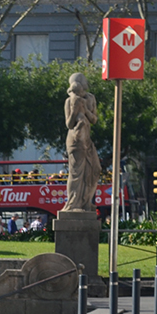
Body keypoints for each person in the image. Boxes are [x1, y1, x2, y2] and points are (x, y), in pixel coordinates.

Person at [63, 72, 101, 212]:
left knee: (95, 170)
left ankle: (86, 201)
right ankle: (74, 204)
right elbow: (69, 123)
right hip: (75, 140)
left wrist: (85, 109)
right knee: (76, 173)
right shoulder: (69, 101)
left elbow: (94, 120)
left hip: (87, 139)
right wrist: (75, 109)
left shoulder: (90, 98)